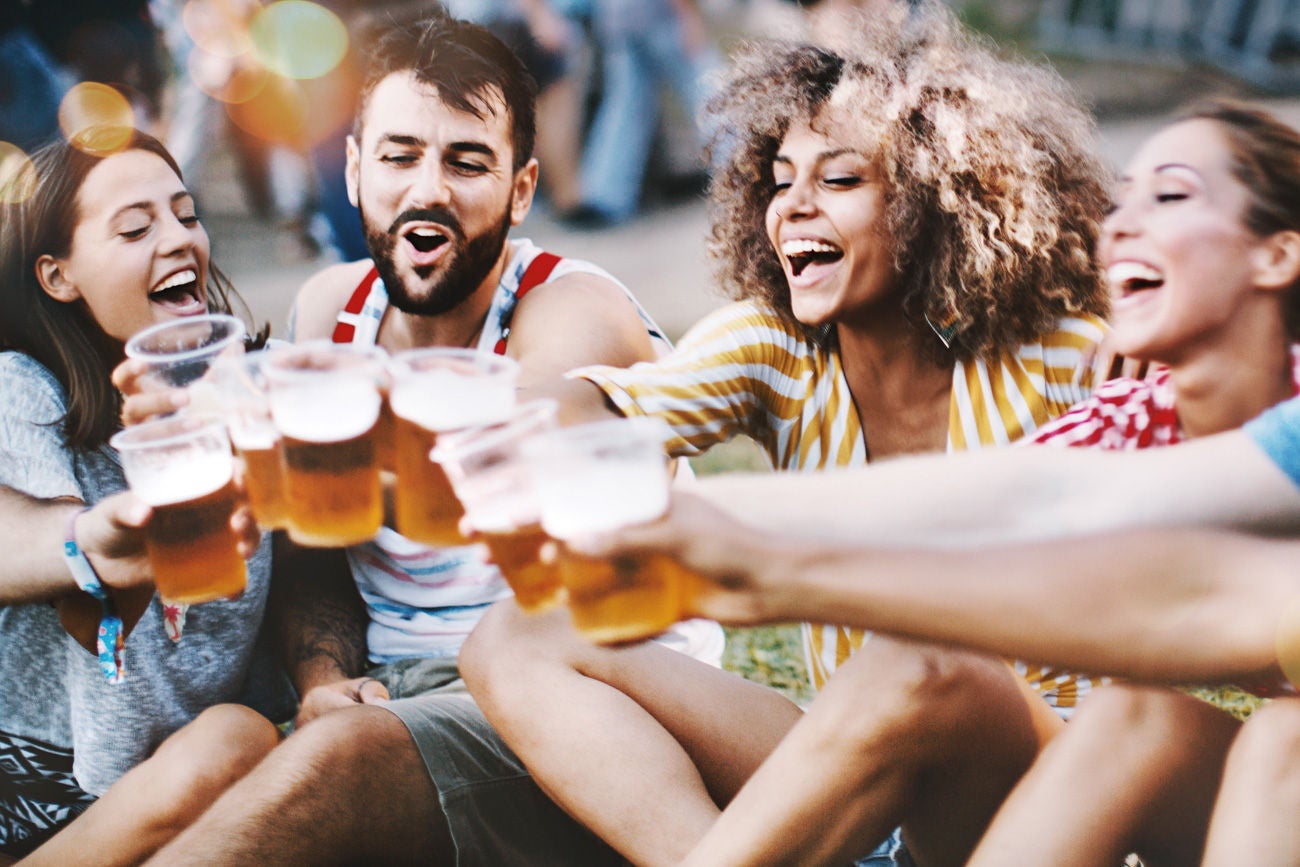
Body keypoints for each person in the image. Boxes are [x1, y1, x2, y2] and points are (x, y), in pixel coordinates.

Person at [563, 97, 1300, 866]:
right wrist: (701, 519)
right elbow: (1019, 501)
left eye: (1172, 195)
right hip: (1018, 756)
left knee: (1283, 739)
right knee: (1132, 712)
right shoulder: (1136, 412)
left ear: (1278, 254)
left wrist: (769, 568)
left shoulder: (1080, 358)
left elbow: (1202, 600)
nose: (1120, 223)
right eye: (1126, 198)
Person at [462, 3, 1116, 864]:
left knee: (925, 657)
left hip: (1034, 782)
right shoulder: (775, 345)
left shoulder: (1057, 357)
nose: (793, 207)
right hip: (864, 765)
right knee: (517, 635)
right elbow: (621, 408)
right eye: (778, 179)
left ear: (934, 202)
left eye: (839, 181)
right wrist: (534, 425)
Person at [127, 11, 721, 865]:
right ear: (356, 169)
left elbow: (518, 434)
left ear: (521, 191)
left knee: (329, 768)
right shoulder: (331, 311)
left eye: (466, 161)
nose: (427, 188)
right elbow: (315, 552)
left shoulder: (574, 310)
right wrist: (324, 680)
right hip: (390, 703)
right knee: (215, 766)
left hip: (581, 711)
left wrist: (270, 418)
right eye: (400, 155)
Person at [0, 128, 291, 863]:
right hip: (37, 780)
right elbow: (27, 543)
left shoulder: (257, 387)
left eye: (187, 215)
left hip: (189, 771)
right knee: (236, 739)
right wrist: (99, 540)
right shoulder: (21, 390)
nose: (179, 238)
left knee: (246, 737)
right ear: (57, 275)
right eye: (135, 227)